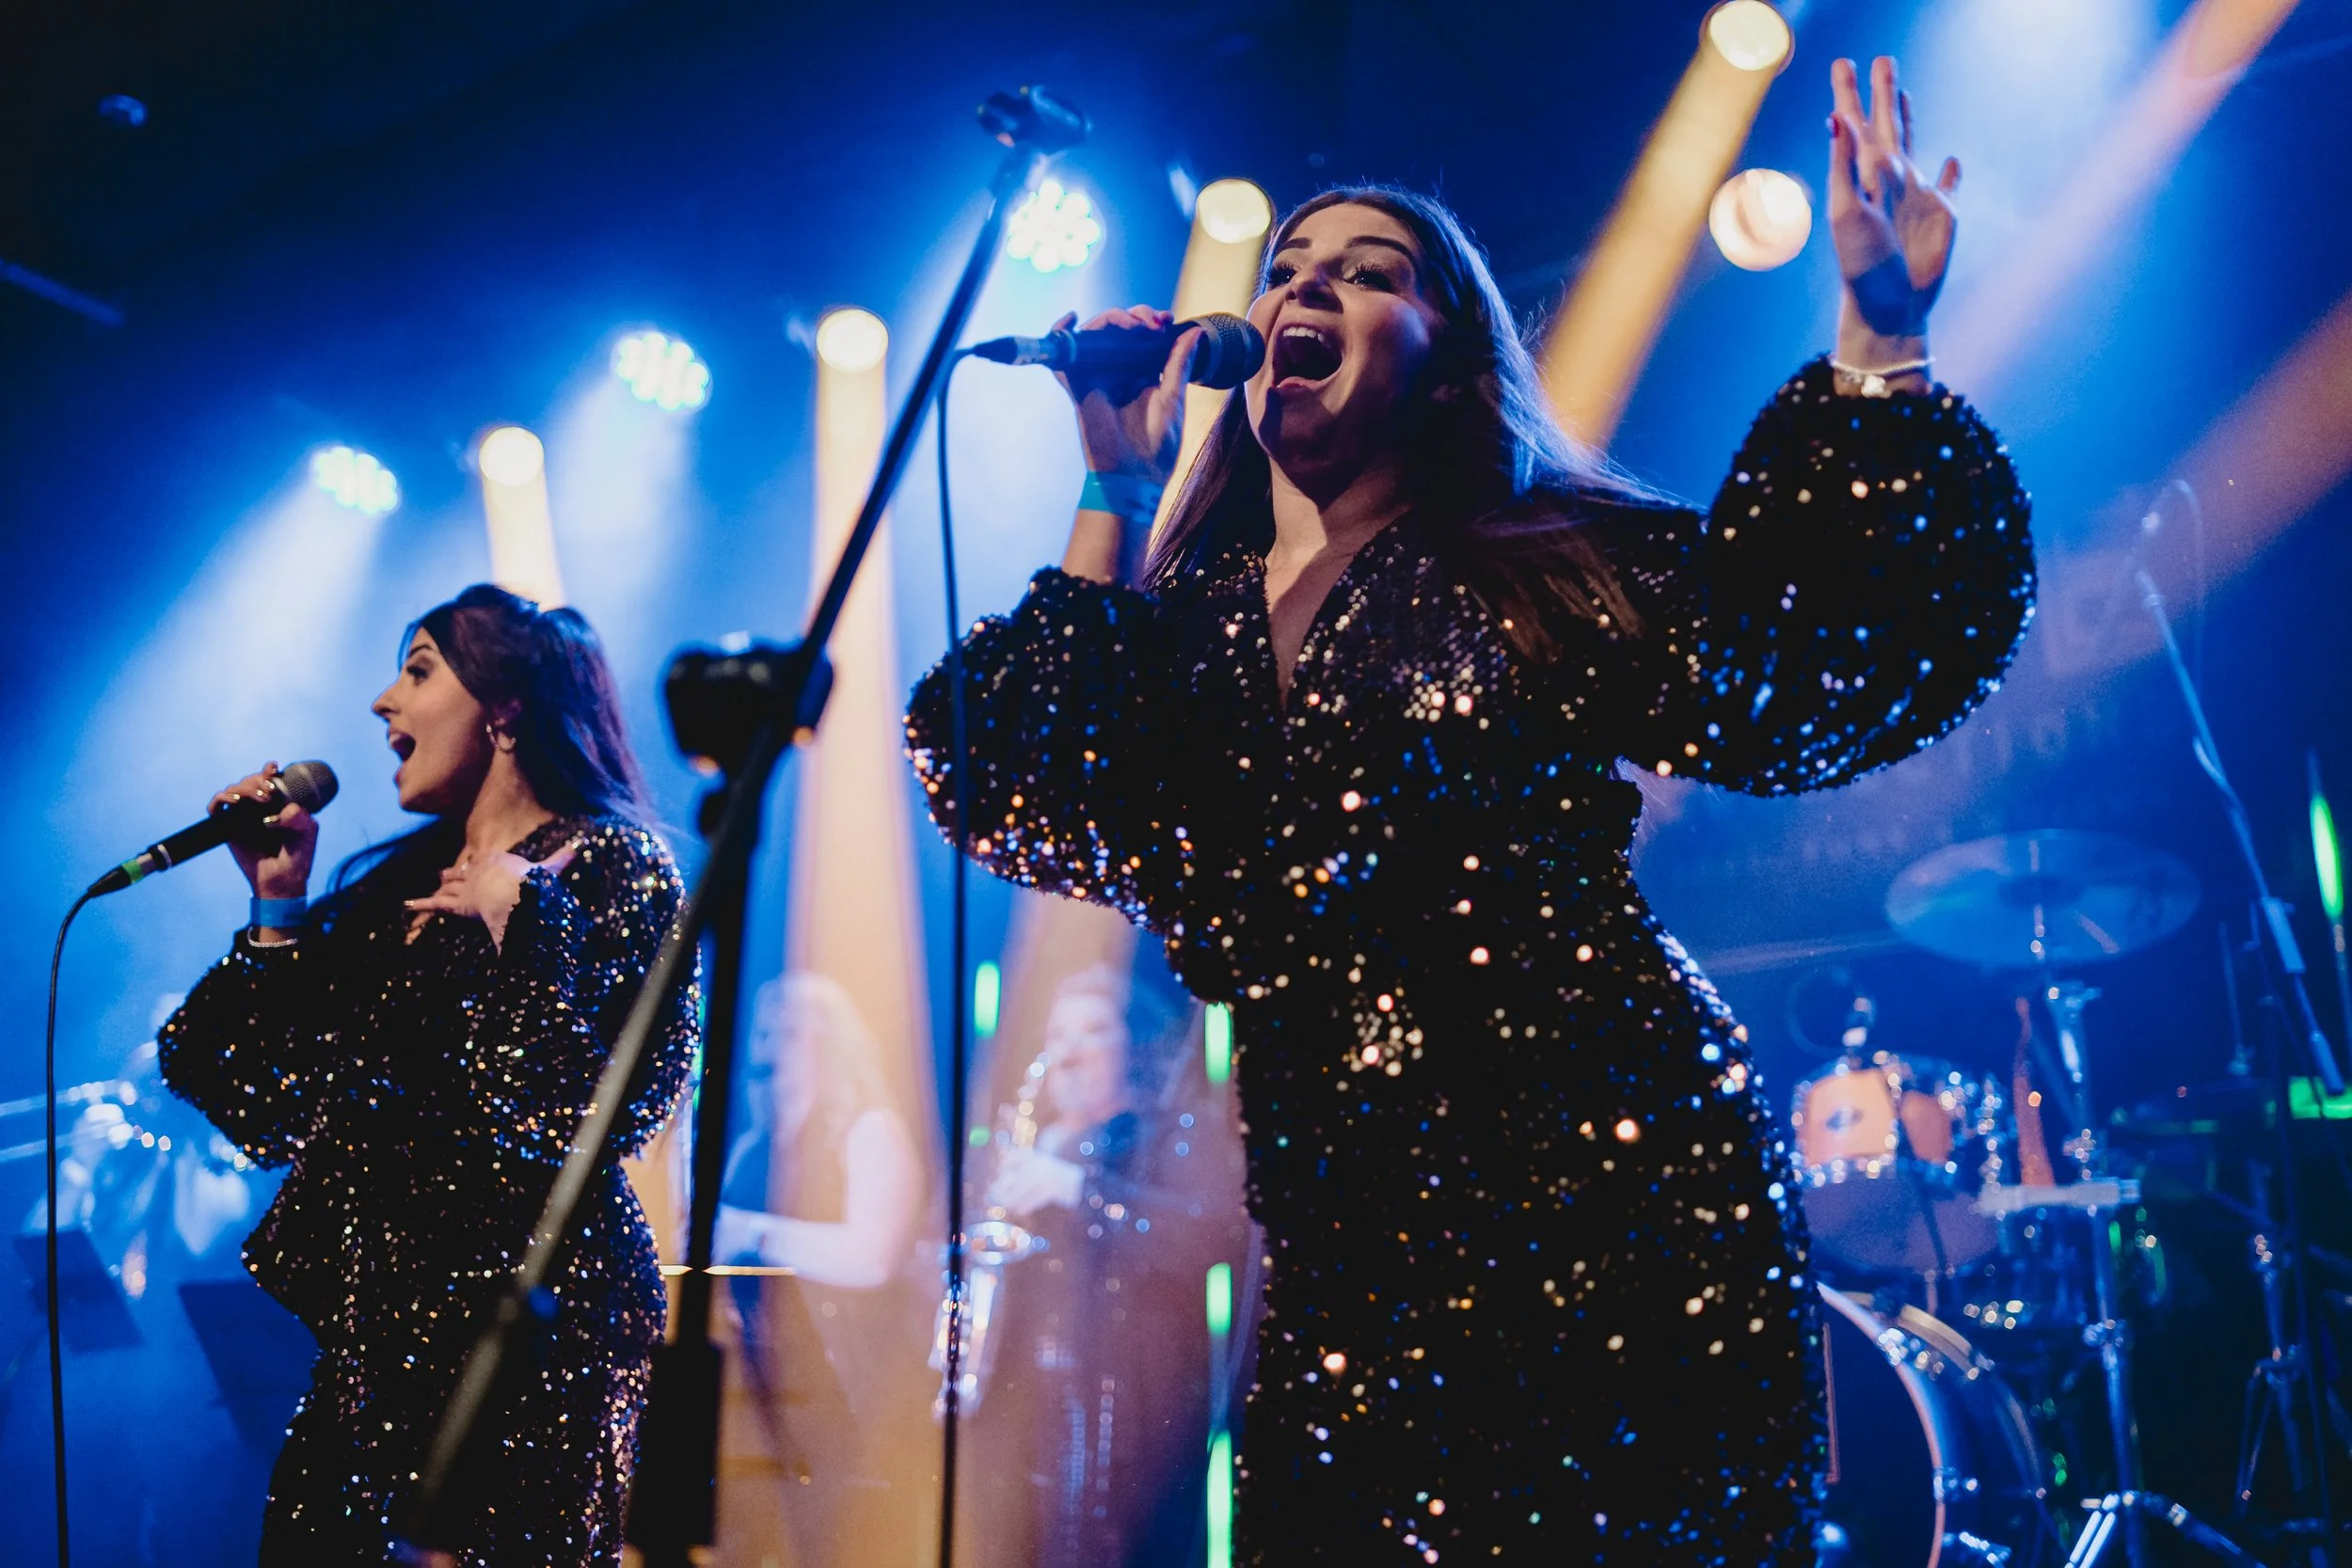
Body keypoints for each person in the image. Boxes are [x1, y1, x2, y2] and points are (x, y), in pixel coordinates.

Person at [906, 56, 2034, 1563]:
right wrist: (1117, 477)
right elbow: (1015, 765)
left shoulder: (1539, 558)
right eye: (1288, 266)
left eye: (1367, 275)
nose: (1307, 287)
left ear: (1445, 354)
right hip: (1349, 1241)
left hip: (1614, 1191)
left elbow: (1805, 643)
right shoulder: (1195, 638)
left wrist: (1883, 336)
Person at [158, 584, 700, 1566]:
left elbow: (589, 1111)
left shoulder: (615, 868)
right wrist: (277, 906)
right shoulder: (393, 891)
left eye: (417, 670)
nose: (382, 703)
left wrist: (524, 918)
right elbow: (264, 1103)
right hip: (376, 1350)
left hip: (535, 1340)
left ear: (504, 706)